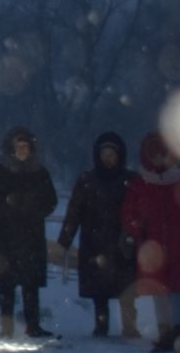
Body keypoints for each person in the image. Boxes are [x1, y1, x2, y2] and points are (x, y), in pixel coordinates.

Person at [122, 132, 180, 353]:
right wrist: (137, 226)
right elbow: (129, 212)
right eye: (154, 154)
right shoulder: (140, 184)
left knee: (178, 290)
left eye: (162, 153)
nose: (159, 158)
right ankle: (165, 333)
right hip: (152, 245)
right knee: (159, 290)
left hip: (177, 244)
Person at [56, 132, 140, 339]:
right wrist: (64, 240)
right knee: (98, 289)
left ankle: (129, 326)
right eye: (105, 153)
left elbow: (141, 210)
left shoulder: (130, 180)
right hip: (95, 242)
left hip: (123, 242)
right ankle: (101, 325)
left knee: (126, 288)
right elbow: (74, 212)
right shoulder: (87, 181)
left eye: (112, 154)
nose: (108, 158)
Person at [0, 127, 60, 338]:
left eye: (25, 146)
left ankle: (32, 324)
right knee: (6, 285)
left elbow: (50, 201)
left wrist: (33, 210)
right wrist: (9, 209)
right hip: (6, 235)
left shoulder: (39, 172)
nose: (21, 150)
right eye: (18, 146)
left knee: (31, 284)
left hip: (31, 235)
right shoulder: (0, 172)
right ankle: (6, 327)